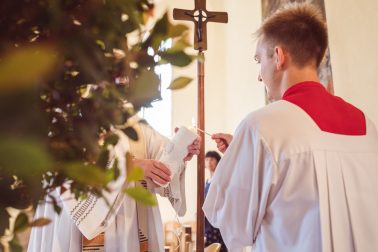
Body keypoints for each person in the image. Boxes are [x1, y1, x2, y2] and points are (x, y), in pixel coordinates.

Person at [203, 3, 378, 252]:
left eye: (258, 60)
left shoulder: (260, 127)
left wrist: (248, 153)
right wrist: (244, 153)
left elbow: (233, 227)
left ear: (279, 56)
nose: (259, 75)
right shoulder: (367, 125)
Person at [28, 115, 200, 252]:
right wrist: (128, 167)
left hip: (131, 228)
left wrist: (178, 151)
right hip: (80, 226)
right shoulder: (70, 113)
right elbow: (66, 168)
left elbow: (162, 165)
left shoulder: (135, 122)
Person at [204, 151, 226, 251]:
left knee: (218, 245)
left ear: (217, 162)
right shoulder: (207, 180)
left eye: (212, 159)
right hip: (207, 220)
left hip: (217, 218)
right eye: (207, 159)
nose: (209, 162)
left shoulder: (220, 179)